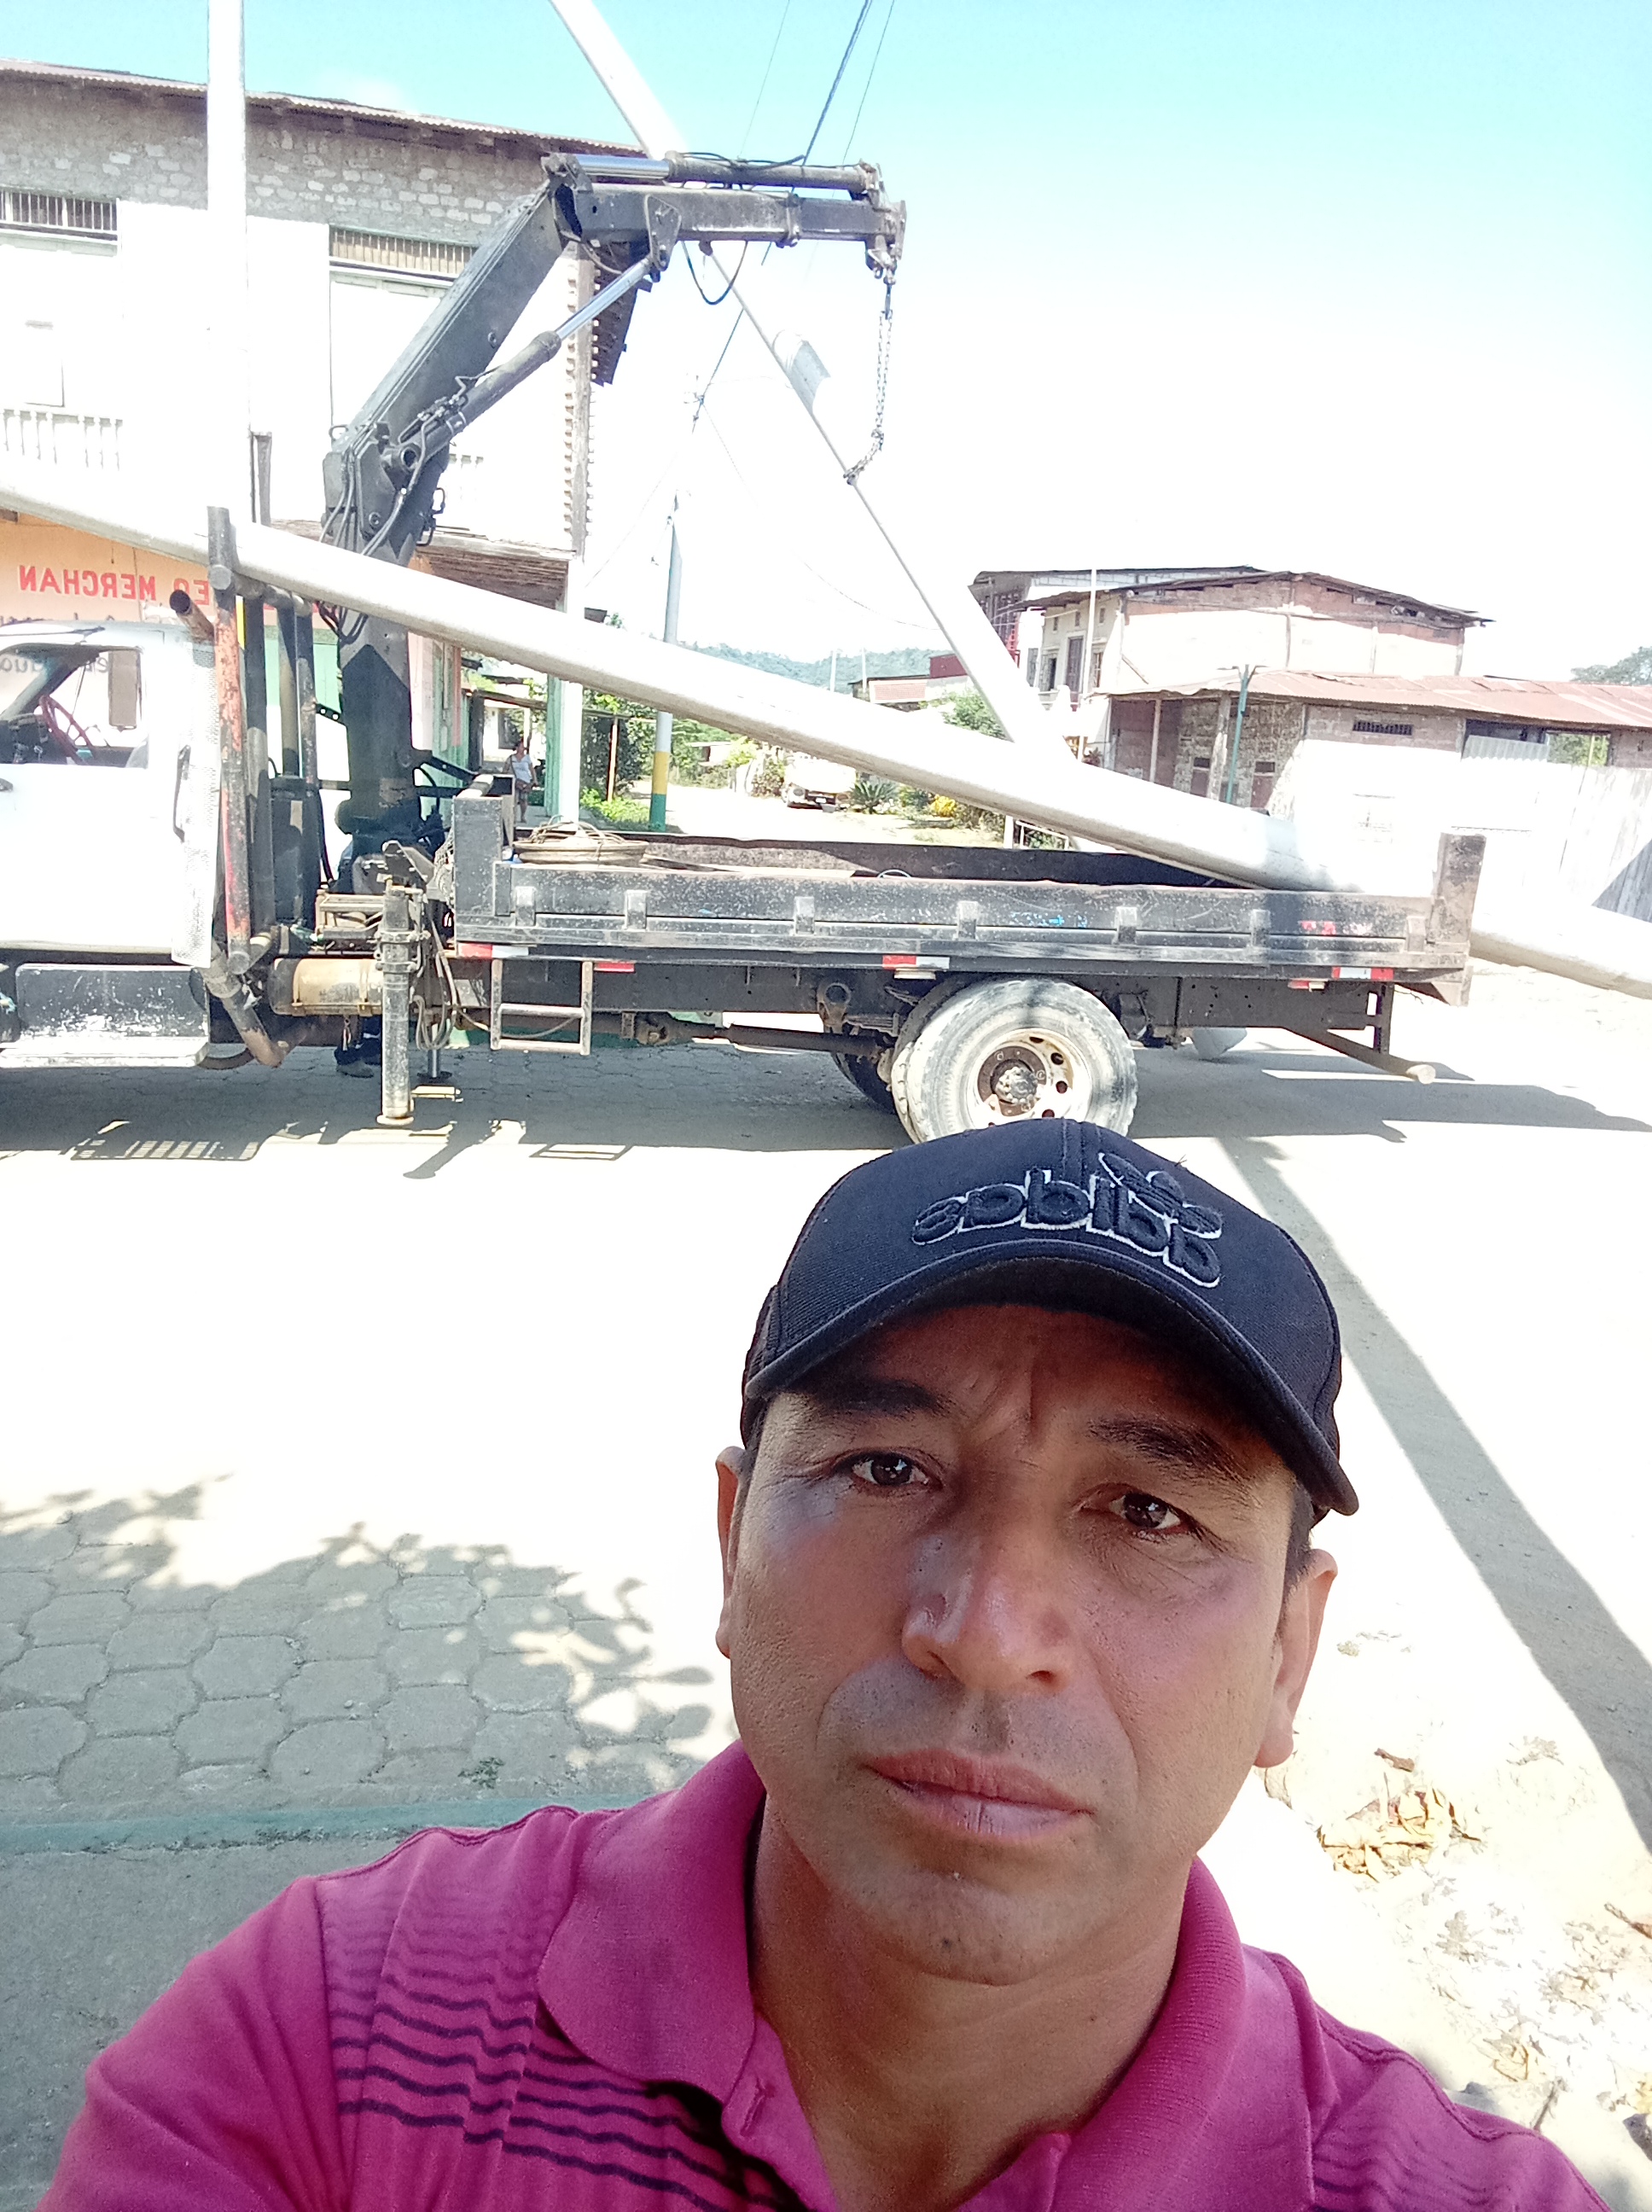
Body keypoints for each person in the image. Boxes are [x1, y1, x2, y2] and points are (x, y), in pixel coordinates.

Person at [42, 1121, 1603, 2211]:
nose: (983, 1631)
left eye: (1147, 1511)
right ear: (732, 1547)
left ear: (1287, 1652)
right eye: (884, 1470)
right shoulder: (334, 2041)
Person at [509, 729, 533, 825]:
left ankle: (523, 816)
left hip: (525, 781)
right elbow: (506, 768)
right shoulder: (512, 758)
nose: (523, 749)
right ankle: (514, 817)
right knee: (514, 800)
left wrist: (534, 779)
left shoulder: (527, 758)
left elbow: (531, 769)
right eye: (521, 747)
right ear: (517, 748)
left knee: (524, 800)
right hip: (515, 781)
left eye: (523, 747)